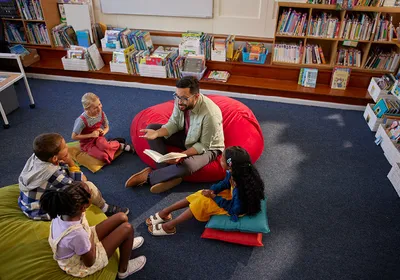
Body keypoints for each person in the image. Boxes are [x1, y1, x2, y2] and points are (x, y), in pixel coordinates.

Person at [125, 77, 225, 193]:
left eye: (183, 98)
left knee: (188, 165)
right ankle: (168, 176)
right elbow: (174, 123)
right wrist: (157, 133)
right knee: (152, 128)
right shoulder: (181, 102)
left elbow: (203, 145)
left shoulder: (211, 115)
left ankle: (150, 177)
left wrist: (182, 155)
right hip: (187, 134)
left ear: (196, 96)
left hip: (209, 148)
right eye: (177, 96)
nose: (179, 101)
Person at [145, 146, 265, 236]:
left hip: (235, 208)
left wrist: (213, 197)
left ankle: (169, 226)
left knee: (203, 202)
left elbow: (234, 208)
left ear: (230, 166)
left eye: (222, 159)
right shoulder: (233, 173)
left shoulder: (241, 188)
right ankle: (166, 212)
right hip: (232, 197)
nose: (220, 160)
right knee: (202, 192)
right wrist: (212, 190)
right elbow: (224, 184)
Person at [40, 182, 146, 279]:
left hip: (84, 240)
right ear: (83, 207)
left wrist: (88, 238)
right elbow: (89, 262)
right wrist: (90, 240)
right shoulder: (77, 234)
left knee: (122, 217)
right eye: (90, 192)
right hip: (82, 262)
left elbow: (82, 236)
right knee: (127, 229)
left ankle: (124, 244)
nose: (91, 190)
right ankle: (123, 270)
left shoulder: (64, 212)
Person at [18, 133, 129, 220]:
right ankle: (105, 208)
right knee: (88, 186)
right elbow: (81, 182)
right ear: (55, 159)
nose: (68, 147)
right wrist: (71, 162)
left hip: (27, 204)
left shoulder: (37, 158)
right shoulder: (53, 174)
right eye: (65, 147)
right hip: (41, 211)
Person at [71, 92, 134, 164]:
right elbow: (73, 136)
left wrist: (103, 132)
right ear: (87, 109)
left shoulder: (101, 113)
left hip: (98, 138)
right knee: (104, 156)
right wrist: (91, 135)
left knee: (106, 147)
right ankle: (112, 143)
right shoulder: (81, 121)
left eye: (99, 104)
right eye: (95, 108)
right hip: (87, 144)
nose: (99, 108)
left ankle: (121, 145)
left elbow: (106, 127)